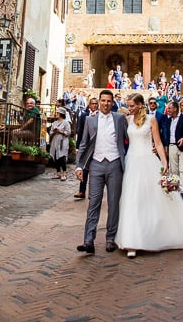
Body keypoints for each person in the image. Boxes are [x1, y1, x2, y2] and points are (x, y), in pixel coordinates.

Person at [116, 93, 183, 258]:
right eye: (129, 106)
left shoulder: (151, 120)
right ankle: (132, 240)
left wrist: (164, 164)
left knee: (153, 199)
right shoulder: (127, 120)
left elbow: (158, 143)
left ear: (141, 105)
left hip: (148, 160)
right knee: (132, 199)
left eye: (132, 105)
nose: (130, 108)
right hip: (132, 162)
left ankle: (157, 233)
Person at [75, 89, 128, 255]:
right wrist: (79, 166)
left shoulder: (119, 119)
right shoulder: (90, 120)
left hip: (114, 164)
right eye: (103, 100)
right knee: (93, 202)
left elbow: (129, 138)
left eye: (108, 101)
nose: (105, 103)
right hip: (96, 165)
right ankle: (88, 240)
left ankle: (110, 238)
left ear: (112, 103)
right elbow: (83, 143)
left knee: (113, 203)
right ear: (98, 101)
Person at [158, 101, 183, 197]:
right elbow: (165, 134)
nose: (167, 110)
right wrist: (165, 145)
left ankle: (182, 190)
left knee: (182, 169)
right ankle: (175, 188)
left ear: (175, 109)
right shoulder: (168, 120)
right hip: (172, 146)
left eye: (169, 108)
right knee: (174, 169)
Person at [73, 96, 99, 199]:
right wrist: (77, 147)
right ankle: (82, 191)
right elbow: (80, 131)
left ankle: (92, 192)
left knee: (94, 170)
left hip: (95, 146)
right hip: (85, 145)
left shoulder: (100, 116)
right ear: (89, 104)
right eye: (92, 103)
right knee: (84, 168)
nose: (94, 105)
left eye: (96, 103)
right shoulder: (84, 115)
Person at [48, 109, 72, 181]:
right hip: (55, 141)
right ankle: (58, 173)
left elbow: (68, 132)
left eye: (58, 113)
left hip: (63, 141)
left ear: (61, 114)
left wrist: (60, 131)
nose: (56, 114)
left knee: (62, 157)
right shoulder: (54, 123)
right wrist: (54, 132)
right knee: (56, 156)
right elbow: (51, 131)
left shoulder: (66, 123)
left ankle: (64, 174)